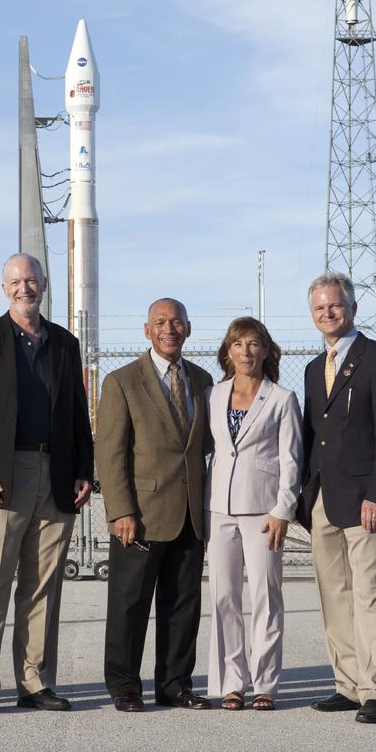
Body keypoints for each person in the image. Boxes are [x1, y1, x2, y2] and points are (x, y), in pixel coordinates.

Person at [0, 253, 94, 713]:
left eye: (31, 280)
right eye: (15, 281)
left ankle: (35, 680)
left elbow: (77, 414)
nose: (24, 288)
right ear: (3, 288)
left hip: (54, 474)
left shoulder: (64, 344)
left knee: (42, 586)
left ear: (44, 284)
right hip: (4, 475)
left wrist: (83, 469)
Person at [298, 271, 376, 724]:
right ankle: (346, 684)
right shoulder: (313, 369)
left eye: (335, 306)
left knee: (369, 593)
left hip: (364, 498)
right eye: (319, 308)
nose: (328, 313)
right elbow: (313, 436)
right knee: (334, 594)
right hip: (324, 499)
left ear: (352, 308)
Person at [95, 298, 214, 713]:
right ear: (146, 330)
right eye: (161, 322)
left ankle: (175, 684)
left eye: (177, 322)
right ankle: (125, 685)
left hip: (189, 514)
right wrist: (120, 510)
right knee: (129, 604)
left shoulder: (203, 380)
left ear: (188, 328)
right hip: (140, 516)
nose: (170, 328)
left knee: (183, 606)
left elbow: (208, 446)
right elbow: (110, 453)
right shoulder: (123, 381)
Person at [205, 316, 301, 711]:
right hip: (219, 509)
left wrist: (283, 509)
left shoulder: (282, 398)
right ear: (228, 352)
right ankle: (232, 682)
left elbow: (292, 460)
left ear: (266, 350)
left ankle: (265, 684)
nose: (246, 351)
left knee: (265, 596)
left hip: (264, 513)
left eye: (254, 343)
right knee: (224, 596)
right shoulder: (213, 394)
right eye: (238, 343)